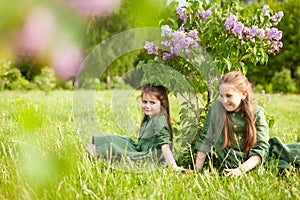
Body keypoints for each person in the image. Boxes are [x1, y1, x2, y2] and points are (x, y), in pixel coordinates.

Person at [194, 70, 300, 177]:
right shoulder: (216, 109)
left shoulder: (257, 113)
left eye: (229, 95)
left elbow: (261, 149)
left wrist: (241, 170)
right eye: (221, 96)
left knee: (291, 162)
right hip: (234, 163)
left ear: (243, 94)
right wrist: (197, 170)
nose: (224, 101)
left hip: (260, 160)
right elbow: (205, 141)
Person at [86, 84, 183, 171]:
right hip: (140, 149)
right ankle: (96, 149)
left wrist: (173, 166)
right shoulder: (151, 118)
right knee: (117, 140)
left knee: (116, 150)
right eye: (145, 102)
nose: (147, 106)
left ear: (162, 104)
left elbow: (165, 146)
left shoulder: (159, 120)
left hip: (147, 157)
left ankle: (96, 152)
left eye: (152, 103)